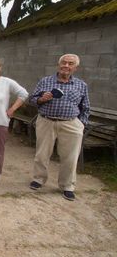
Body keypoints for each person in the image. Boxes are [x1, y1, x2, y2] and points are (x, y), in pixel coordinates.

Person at [29, 54, 90, 201]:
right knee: (42, 154)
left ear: (75, 67)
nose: (66, 66)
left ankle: (67, 186)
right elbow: (32, 99)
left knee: (70, 157)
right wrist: (42, 99)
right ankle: (38, 179)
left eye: (70, 63)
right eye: (64, 62)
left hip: (71, 124)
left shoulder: (81, 85)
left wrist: (81, 124)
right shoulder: (46, 81)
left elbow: (86, 107)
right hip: (46, 121)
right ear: (59, 64)